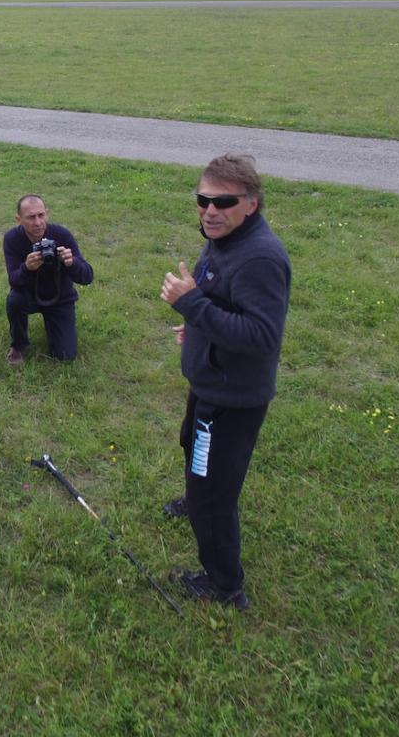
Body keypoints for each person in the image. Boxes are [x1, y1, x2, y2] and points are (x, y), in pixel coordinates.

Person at [158, 153, 291, 611]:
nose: (210, 211)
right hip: (211, 381)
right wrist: (198, 328)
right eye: (203, 200)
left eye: (223, 202)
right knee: (192, 452)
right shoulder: (222, 238)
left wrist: (193, 308)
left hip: (232, 397)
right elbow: (225, 306)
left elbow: (261, 337)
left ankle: (224, 584)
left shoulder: (260, 259)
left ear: (250, 204)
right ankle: (195, 496)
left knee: (214, 495)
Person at [2, 194, 93, 364]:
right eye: (30, 217)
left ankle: (55, 327)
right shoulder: (12, 238)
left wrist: (71, 263)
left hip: (60, 298)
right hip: (28, 295)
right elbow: (14, 281)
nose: (37, 222)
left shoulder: (62, 235)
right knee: (14, 300)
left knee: (65, 357)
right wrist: (27, 268)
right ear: (18, 219)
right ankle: (18, 345)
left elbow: (88, 276)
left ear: (47, 214)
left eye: (41, 215)